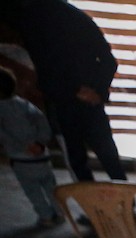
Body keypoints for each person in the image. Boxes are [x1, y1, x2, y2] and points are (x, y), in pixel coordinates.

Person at [13, 0, 127, 182]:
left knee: (78, 161)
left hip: (63, 101)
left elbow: (47, 67)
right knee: (108, 157)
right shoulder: (77, 17)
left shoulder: (30, 19)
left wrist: (88, 91)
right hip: (87, 99)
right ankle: (125, 207)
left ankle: (97, 206)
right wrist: (97, 91)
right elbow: (108, 60)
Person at [0, 64, 60, 227]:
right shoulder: (24, 104)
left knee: (33, 190)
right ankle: (60, 213)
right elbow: (42, 121)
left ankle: (46, 216)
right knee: (50, 187)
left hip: (21, 160)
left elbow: (4, 134)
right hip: (42, 156)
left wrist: (22, 147)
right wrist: (40, 143)